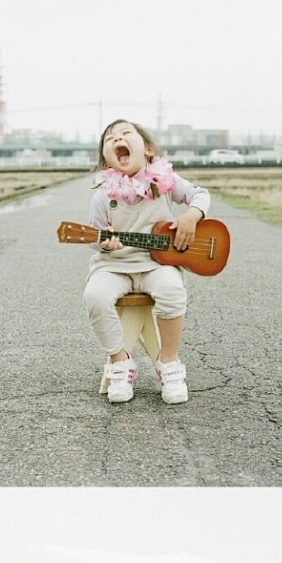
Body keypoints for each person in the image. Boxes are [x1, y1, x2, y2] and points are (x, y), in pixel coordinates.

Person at [83, 118, 211, 405]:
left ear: (149, 150)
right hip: (114, 266)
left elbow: (199, 194)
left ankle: (169, 362)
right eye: (109, 138)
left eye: (126, 134)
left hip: (157, 264)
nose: (117, 139)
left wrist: (192, 216)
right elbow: (92, 236)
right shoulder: (103, 196)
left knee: (172, 290)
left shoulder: (164, 184)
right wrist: (104, 241)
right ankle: (120, 361)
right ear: (105, 163)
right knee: (94, 295)